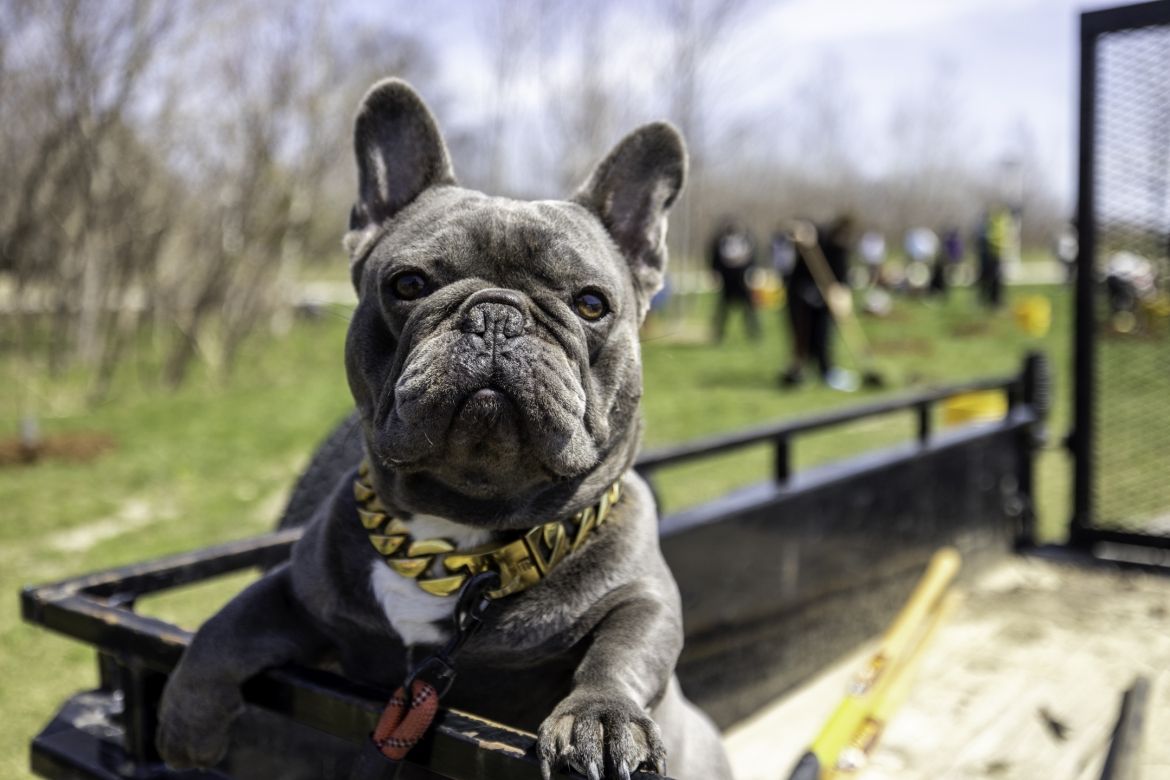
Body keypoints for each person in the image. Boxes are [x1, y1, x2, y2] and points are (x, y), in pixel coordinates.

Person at [781, 214, 856, 390]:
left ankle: (825, 370)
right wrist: (803, 235)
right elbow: (792, 227)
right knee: (801, 336)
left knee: (823, 335)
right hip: (802, 294)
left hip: (826, 297)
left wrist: (841, 293)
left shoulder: (842, 249)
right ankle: (798, 370)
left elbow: (841, 275)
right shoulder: (818, 237)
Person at [710, 217, 760, 342]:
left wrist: (751, 274)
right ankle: (719, 334)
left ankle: (754, 333)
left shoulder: (746, 240)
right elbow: (714, 259)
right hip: (727, 279)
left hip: (742, 279)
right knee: (723, 309)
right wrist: (715, 274)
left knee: (749, 308)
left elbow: (752, 259)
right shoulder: (720, 241)